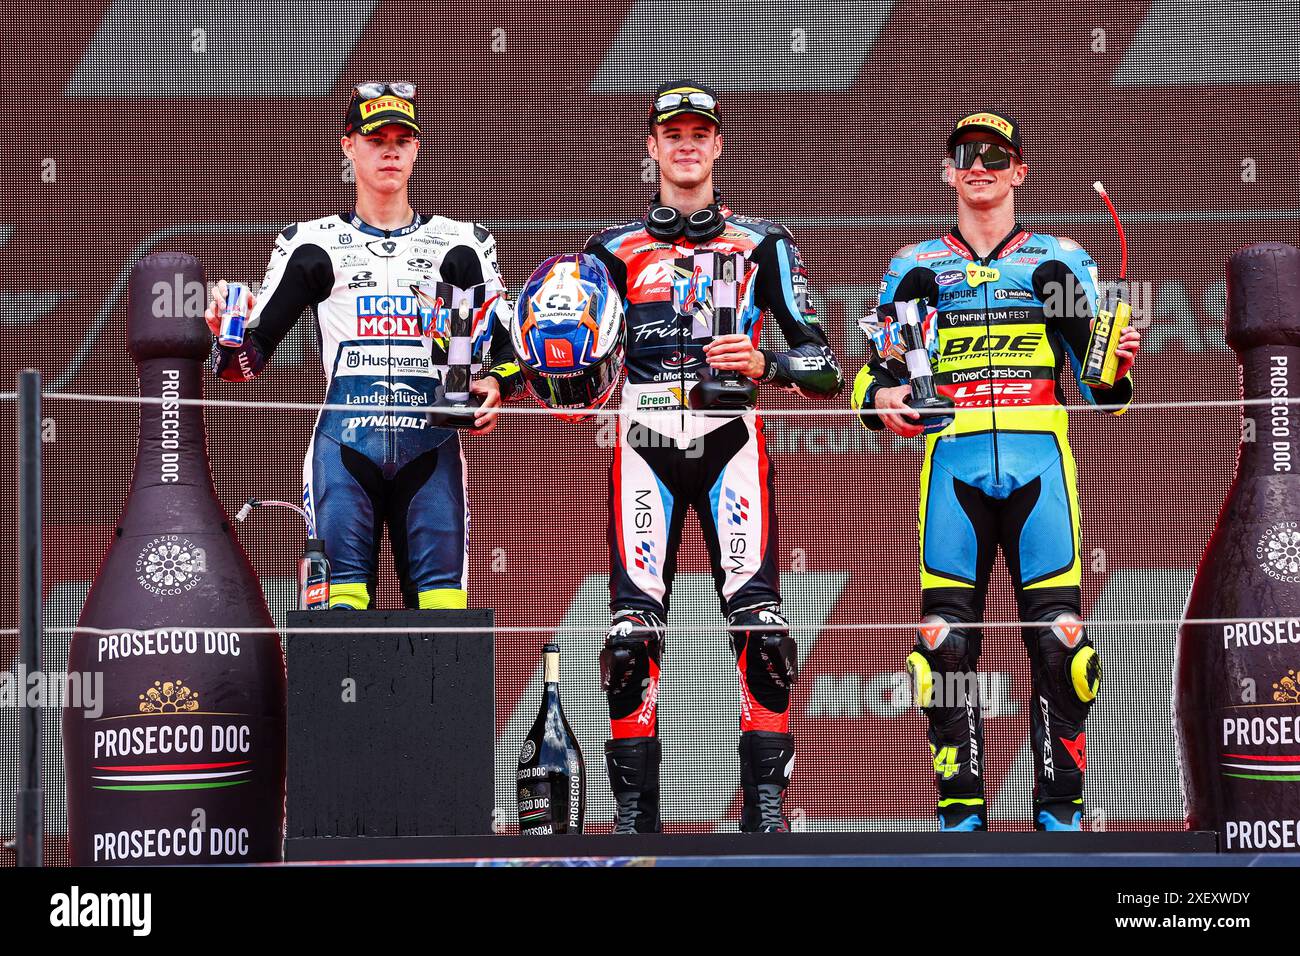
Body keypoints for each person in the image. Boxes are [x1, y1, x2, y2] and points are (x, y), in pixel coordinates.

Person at [851, 111, 1141, 831]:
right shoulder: (915, 267)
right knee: (942, 647)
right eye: (964, 154)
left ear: (1019, 170)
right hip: (952, 467)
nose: (977, 165)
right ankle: (959, 822)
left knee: (1064, 644)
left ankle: (1060, 821)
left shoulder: (1053, 262)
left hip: (1041, 461)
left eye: (993, 154)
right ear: (950, 171)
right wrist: (880, 397)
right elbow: (873, 379)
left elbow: (1103, 388)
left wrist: (1117, 363)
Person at [583, 81, 843, 833]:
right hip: (644, 446)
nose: (687, 143)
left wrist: (766, 364)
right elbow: (571, 367)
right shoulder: (609, 249)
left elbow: (825, 364)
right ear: (652, 146)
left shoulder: (764, 243)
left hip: (732, 441)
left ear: (719, 143)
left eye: (701, 131)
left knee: (763, 632)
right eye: (674, 132)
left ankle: (765, 814)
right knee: (630, 640)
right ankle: (636, 820)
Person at [204, 82, 523, 610]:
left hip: (434, 450)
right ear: (349, 145)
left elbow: (517, 355)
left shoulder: (462, 244)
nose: (391, 150)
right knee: (340, 620)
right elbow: (243, 364)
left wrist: (494, 384)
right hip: (344, 451)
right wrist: (225, 332)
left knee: (444, 620)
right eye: (377, 139)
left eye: (403, 138)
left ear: (419, 149)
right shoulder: (311, 242)